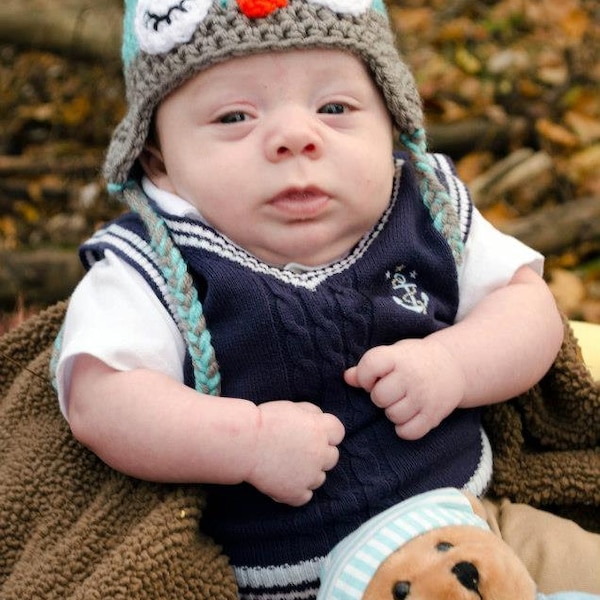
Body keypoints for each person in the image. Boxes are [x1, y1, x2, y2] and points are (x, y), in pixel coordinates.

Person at [52, 1, 582, 598]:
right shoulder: (155, 265)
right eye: (233, 116)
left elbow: (528, 307)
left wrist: (457, 363)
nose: (295, 137)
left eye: (335, 108)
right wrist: (245, 441)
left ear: (392, 122)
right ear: (158, 160)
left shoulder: (425, 207)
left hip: (480, 522)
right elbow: (101, 397)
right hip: (294, 579)